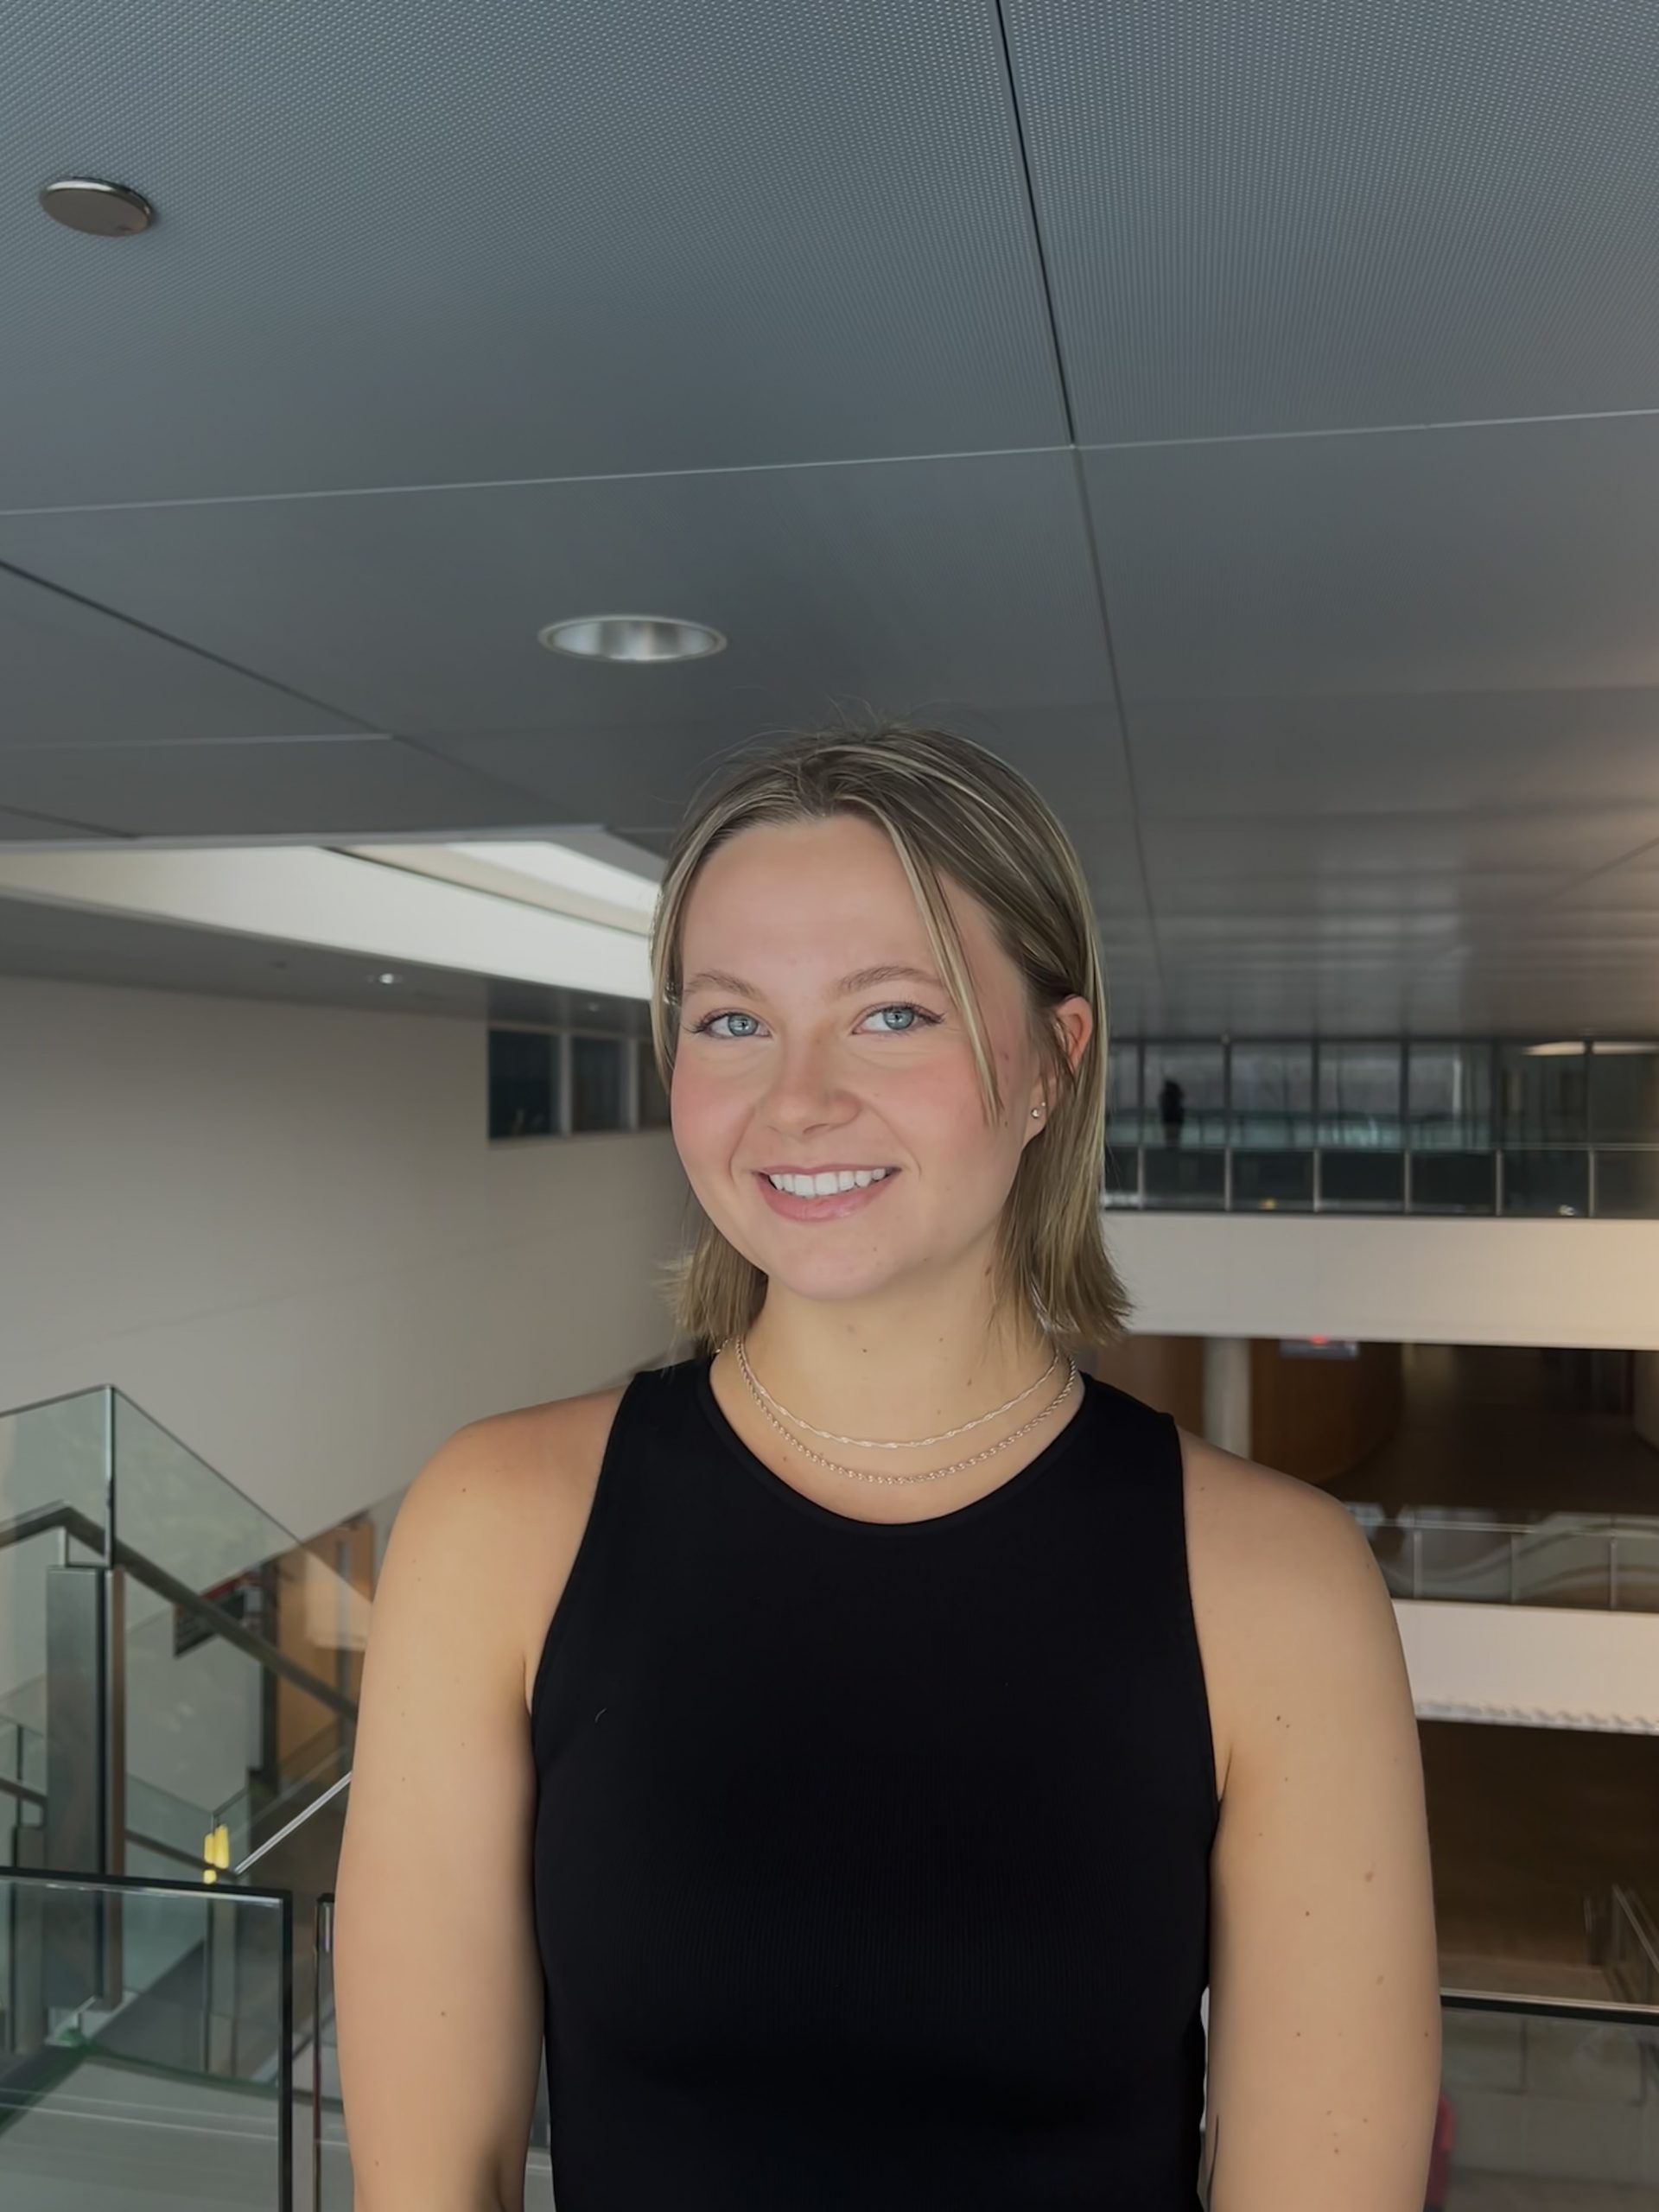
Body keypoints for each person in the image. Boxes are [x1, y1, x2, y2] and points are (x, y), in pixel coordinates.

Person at [333, 722, 1442, 2210]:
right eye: (733, 1021)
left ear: (1054, 1063)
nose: (796, 1099)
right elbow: (428, 2182)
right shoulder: (499, 1528)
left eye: (894, 1014)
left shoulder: (1277, 1591)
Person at [1159, 1073, 1187, 1147]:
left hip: (1170, 1119)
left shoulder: (1167, 1095)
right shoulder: (1174, 1094)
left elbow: (1163, 1104)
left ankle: (1171, 1147)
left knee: (1170, 1137)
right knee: (1174, 1137)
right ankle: (1174, 1147)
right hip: (1175, 1119)